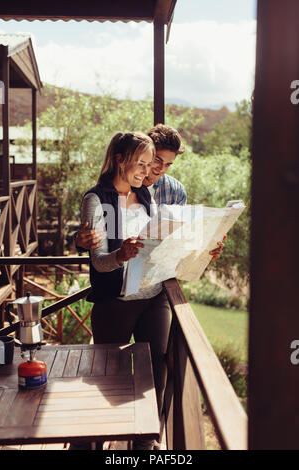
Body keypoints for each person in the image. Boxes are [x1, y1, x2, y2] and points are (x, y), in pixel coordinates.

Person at [79, 131, 171, 451]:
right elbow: (100, 263)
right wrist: (121, 255)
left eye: (150, 165)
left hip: (154, 296)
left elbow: (161, 241)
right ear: (120, 160)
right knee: (109, 378)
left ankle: (145, 442)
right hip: (115, 303)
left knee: (158, 365)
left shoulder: (145, 195)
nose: (146, 172)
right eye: (141, 164)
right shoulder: (96, 200)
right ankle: (95, 439)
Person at [76, 123, 224, 258]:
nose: (160, 169)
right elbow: (100, 229)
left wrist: (204, 250)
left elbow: (177, 242)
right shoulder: (116, 184)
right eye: (158, 160)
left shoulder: (175, 192)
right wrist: (80, 241)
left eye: (168, 165)